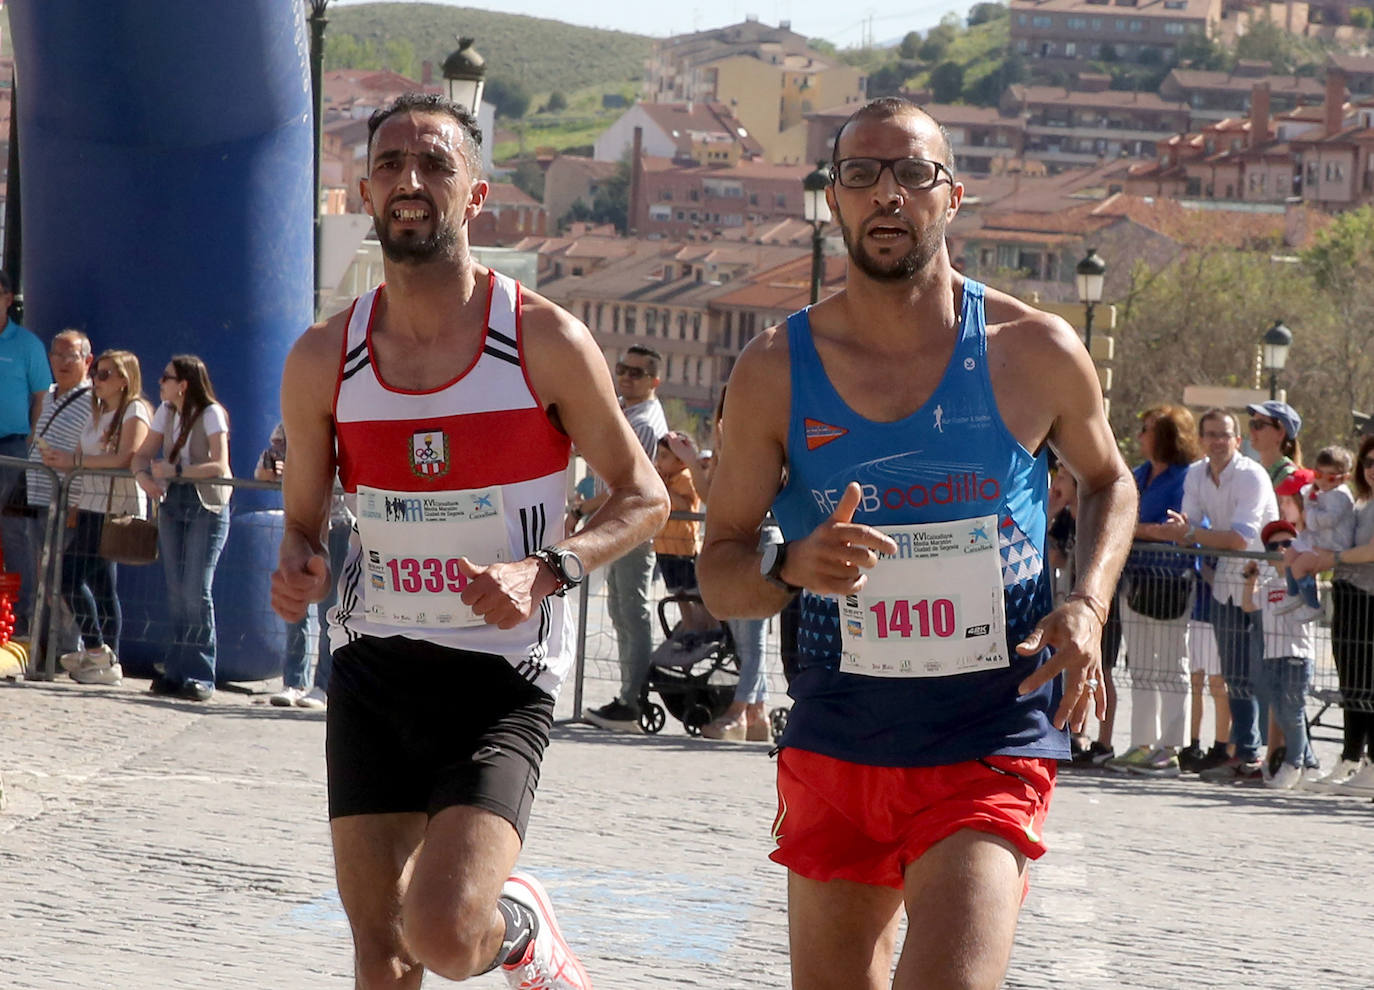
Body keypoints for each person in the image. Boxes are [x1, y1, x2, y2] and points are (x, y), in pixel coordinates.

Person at [697, 97, 1137, 990]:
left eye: (912, 173)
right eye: (860, 174)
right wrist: (791, 566)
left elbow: (1110, 480)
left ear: (954, 194)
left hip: (989, 730)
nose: (886, 193)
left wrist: (1086, 604)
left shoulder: (1033, 350)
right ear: (833, 200)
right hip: (838, 733)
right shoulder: (775, 370)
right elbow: (721, 570)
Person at [269, 92, 666, 989]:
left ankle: (519, 931)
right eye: (390, 166)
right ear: (364, 192)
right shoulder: (324, 357)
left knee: (444, 935)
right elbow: (303, 517)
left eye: (435, 165)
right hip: (373, 670)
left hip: (499, 677)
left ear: (476, 195)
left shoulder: (541, 338)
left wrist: (546, 569)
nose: (410, 181)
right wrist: (297, 560)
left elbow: (642, 498)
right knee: (381, 953)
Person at [1161, 408, 1278, 783]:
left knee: (1267, 673)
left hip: (1265, 583)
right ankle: (1244, 754)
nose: (1217, 441)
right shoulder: (1196, 474)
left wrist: (1195, 535)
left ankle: (1281, 757)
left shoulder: (1251, 475)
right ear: (1201, 439)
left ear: (1237, 440)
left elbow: (1239, 538)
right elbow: (1184, 528)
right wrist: (1194, 535)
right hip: (1225, 582)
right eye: (1210, 434)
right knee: (1234, 673)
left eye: (1224, 434)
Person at [43, 350, 152, 685]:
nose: (97, 381)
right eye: (97, 374)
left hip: (115, 505)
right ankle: (108, 660)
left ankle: (96, 650)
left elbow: (126, 458)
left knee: (68, 576)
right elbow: (85, 454)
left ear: (123, 379)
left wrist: (73, 463)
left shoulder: (134, 409)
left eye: (105, 375)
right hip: (89, 501)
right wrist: (61, 457)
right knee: (103, 585)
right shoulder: (98, 411)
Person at [1105, 405, 1200, 778]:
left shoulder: (1187, 477)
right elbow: (1125, 517)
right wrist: (1145, 529)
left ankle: (1169, 748)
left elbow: (1175, 529)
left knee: (1172, 666)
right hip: (1136, 580)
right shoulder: (1140, 474)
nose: (1141, 435)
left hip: (1172, 581)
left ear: (1166, 436)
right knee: (1142, 665)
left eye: (1147, 429)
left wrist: (1137, 529)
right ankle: (1141, 743)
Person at [132, 354, 232, 703]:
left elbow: (219, 465)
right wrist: (144, 479)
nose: (160, 383)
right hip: (173, 503)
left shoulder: (211, 413)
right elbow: (141, 454)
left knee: (196, 590)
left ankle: (201, 674)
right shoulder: (166, 411)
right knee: (176, 590)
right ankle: (175, 670)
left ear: (184, 384)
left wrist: (176, 473)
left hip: (206, 503)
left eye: (166, 377)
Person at [582, 344, 668, 733]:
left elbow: (633, 486)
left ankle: (633, 700)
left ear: (654, 380)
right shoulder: (623, 410)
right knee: (619, 612)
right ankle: (626, 696)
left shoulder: (646, 422)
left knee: (632, 612)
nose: (627, 376)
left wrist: (585, 508)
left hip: (632, 527)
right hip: (615, 525)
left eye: (636, 372)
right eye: (622, 368)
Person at [1293, 433, 1374, 795]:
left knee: (1368, 684)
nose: (1372, 469)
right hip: (1349, 594)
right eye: (1368, 462)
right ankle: (1350, 757)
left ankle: (1371, 763)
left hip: (1370, 599)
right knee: (1351, 684)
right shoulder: (1361, 501)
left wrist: (1332, 559)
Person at [256, 421, 350, 709]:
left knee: (328, 610)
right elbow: (261, 472)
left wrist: (307, 474)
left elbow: (347, 477)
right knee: (294, 604)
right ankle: (293, 682)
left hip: (337, 525)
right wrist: (275, 472)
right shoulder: (289, 424)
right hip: (299, 527)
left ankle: (323, 684)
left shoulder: (344, 424)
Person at [24, 329, 95, 659]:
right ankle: (43, 647)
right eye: (58, 355)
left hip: (68, 502)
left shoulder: (92, 400)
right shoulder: (49, 395)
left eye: (72, 356)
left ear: (86, 361)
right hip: (38, 499)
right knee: (42, 578)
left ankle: (68, 650)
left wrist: (76, 504)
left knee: (63, 582)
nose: (63, 363)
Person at [1045, 466, 1119, 766]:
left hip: (1099, 604)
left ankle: (1104, 741)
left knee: (1102, 670)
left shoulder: (1095, 517)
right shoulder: (1064, 518)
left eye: (1063, 476)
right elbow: (1056, 553)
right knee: (1068, 667)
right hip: (1069, 604)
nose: (1057, 481)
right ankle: (1074, 734)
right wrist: (1052, 508)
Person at [1241, 519, 1318, 790]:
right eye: (1275, 546)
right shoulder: (1271, 583)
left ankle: (1293, 763)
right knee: (1282, 711)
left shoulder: (1302, 579)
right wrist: (1250, 580)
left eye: (1288, 544)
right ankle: (1310, 764)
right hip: (1273, 656)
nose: (1282, 549)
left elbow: (1309, 611)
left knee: (1293, 712)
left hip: (1296, 655)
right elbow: (1249, 605)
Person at [0, 272, 54, 636]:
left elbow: (41, 396)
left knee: (17, 531)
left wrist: (32, 441)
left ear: (7, 298)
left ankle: (24, 620)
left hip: (14, 450)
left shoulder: (28, 345)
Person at [1277, 445, 1355, 623]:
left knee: (1299, 567)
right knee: (1289, 555)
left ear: (1345, 478)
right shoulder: (1321, 491)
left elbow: (1328, 520)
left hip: (1333, 544)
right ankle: (1293, 594)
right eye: (1319, 475)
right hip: (1318, 539)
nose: (1324, 481)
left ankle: (1313, 606)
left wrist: (1309, 512)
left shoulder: (1340, 495)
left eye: (1331, 477)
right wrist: (1310, 500)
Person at [1245, 400, 1303, 490]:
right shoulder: (1253, 469)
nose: (1252, 431)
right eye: (1252, 424)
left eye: (1259, 425)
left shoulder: (1288, 477)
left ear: (1280, 433)